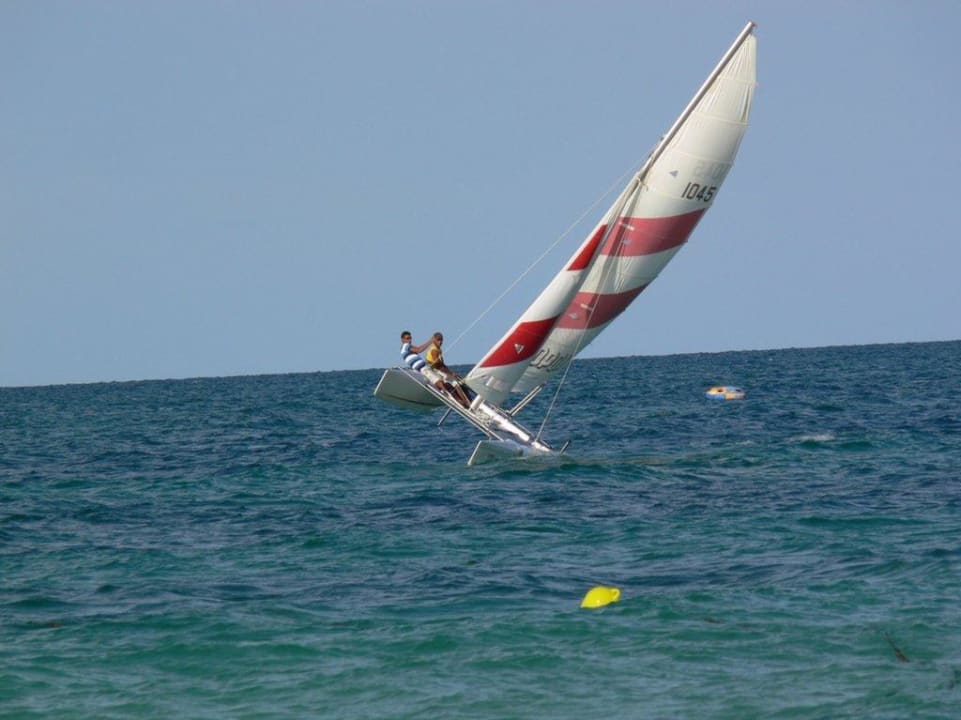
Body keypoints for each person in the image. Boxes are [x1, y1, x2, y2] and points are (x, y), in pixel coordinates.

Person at [424, 332, 471, 408]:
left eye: (441, 340)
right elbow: (437, 365)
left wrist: (451, 372)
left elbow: (442, 364)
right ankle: (466, 403)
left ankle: (466, 400)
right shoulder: (434, 350)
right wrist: (450, 373)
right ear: (434, 340)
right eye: (438, 340)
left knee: (459, 382)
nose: (440, 342)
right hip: (436, 370)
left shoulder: (438, 349)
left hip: (439, 369)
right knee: (456, 383)